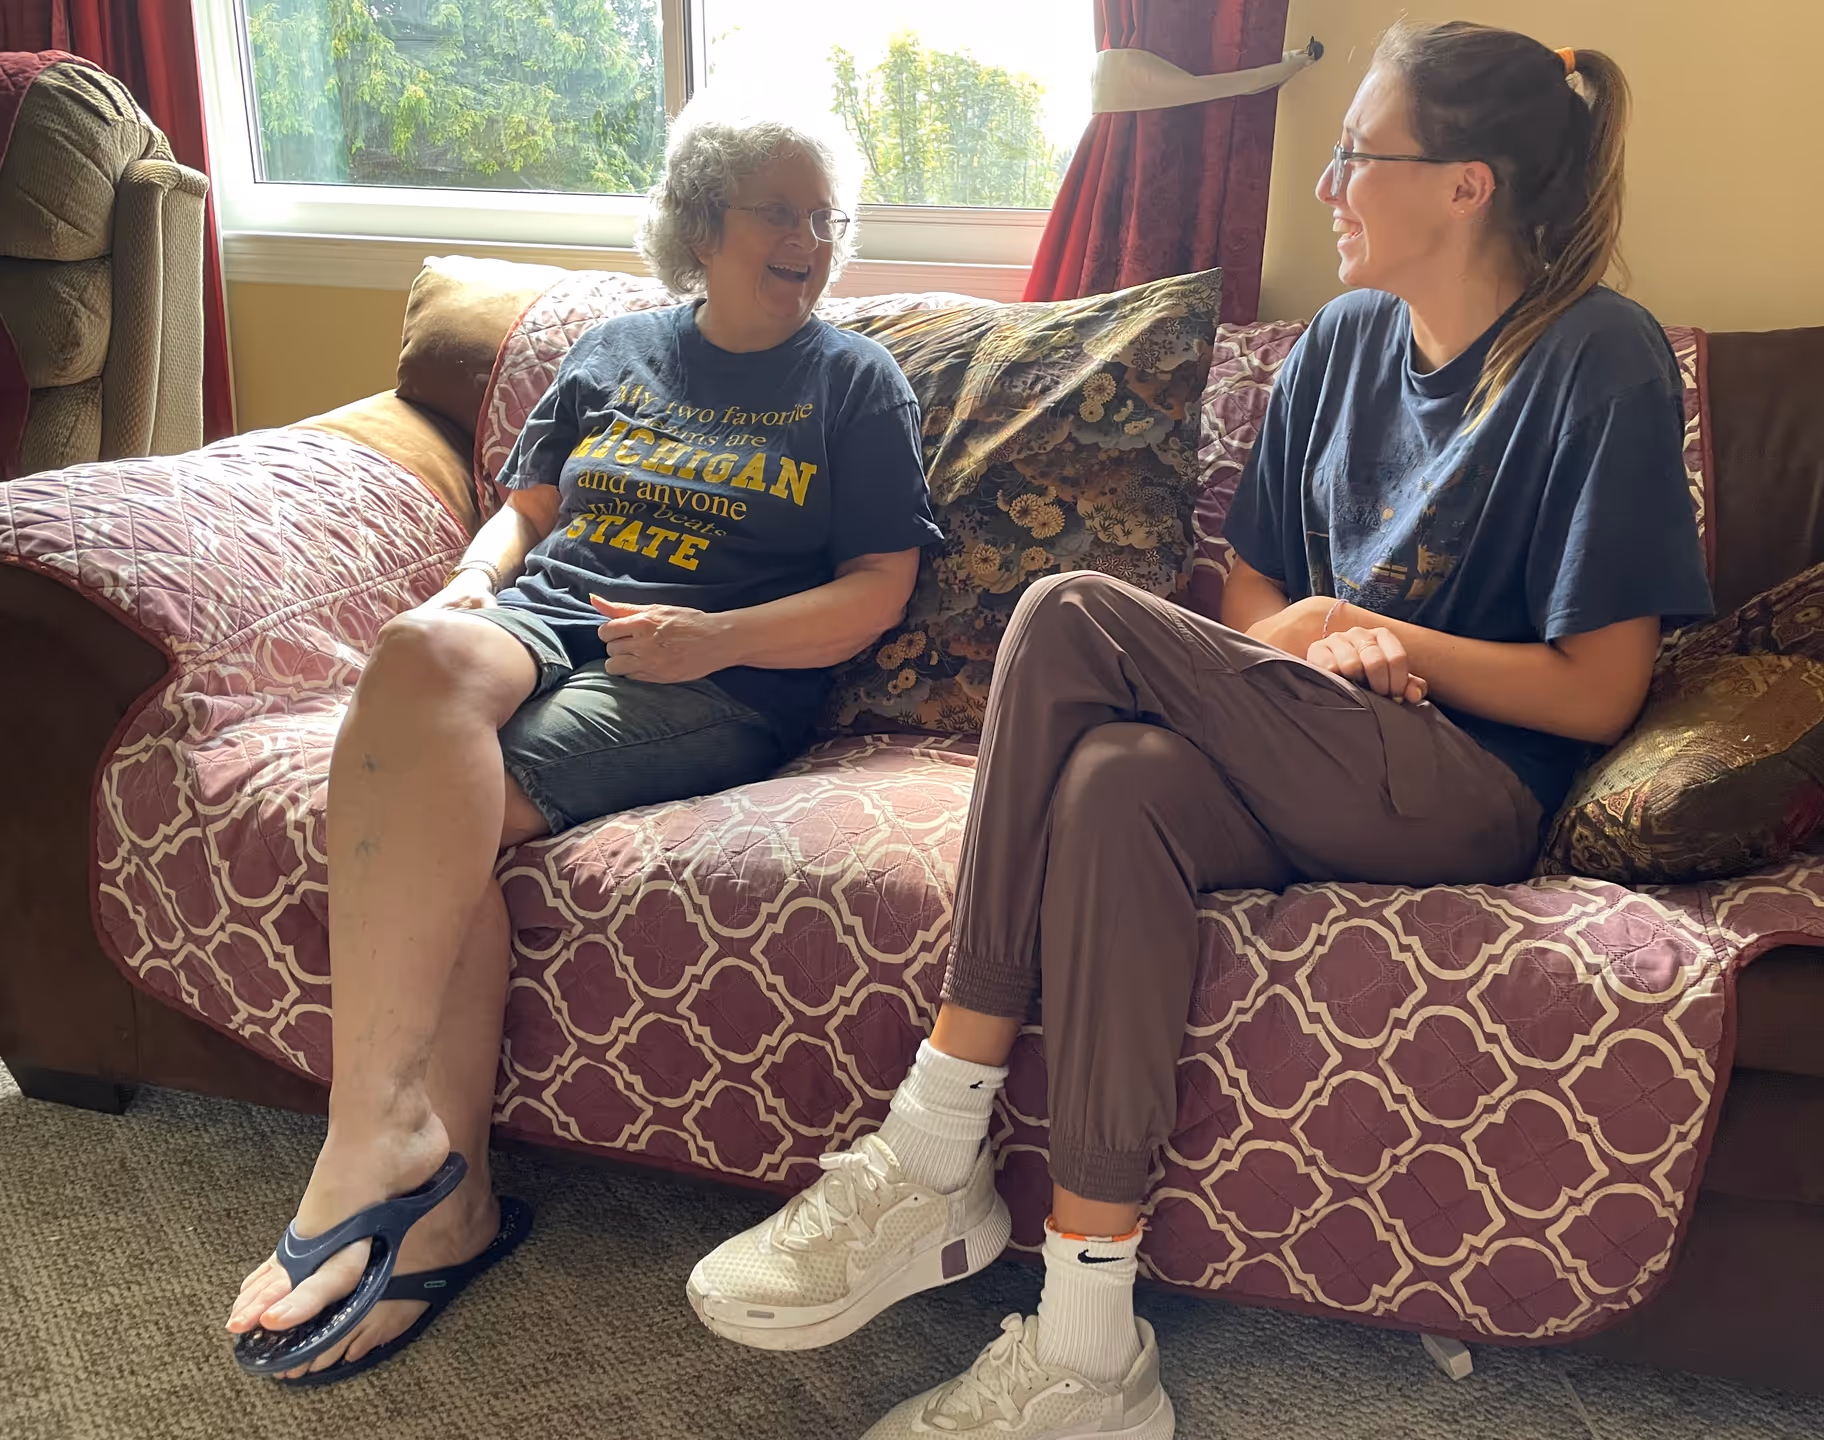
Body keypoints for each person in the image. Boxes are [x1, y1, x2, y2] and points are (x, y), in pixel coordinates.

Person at [688, 20, 1714, 1438]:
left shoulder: (1597, 356)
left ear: (1467, 184)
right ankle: (1089, 1349)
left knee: (1064, 613)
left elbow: (1599, 691)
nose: (1327, 184)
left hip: (1473, 780)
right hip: (1318, 737)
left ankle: (936, 1134)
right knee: (1115, 784)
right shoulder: (1343, 343)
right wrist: (1300, 637)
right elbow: (1251, 596)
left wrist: (1377, 636)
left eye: (1359, 152)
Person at [222, 107, 942, 1384]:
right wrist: (465, 579)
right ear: (705, 224)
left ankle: (406, 1175)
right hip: (552, 615)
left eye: (826, 217)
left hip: (717, 676)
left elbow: (880, 586)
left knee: (439, 826)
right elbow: (527, 511)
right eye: (780, 211)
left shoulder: (852, 381)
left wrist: (713, 638)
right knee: (416, 656)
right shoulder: (615, 348)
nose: (810, 239)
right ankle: (417, 1166)